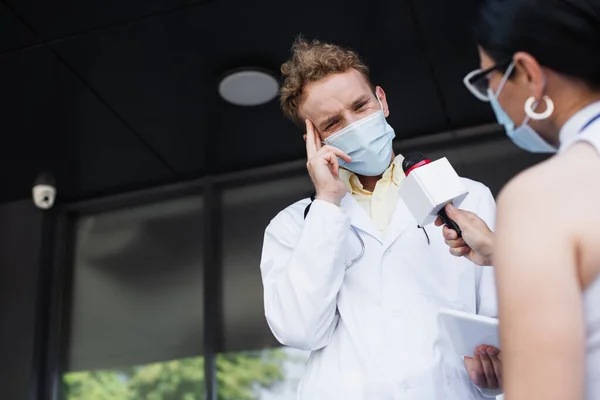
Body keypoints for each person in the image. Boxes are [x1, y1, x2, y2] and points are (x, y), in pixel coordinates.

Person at [259, 37, 503, 399]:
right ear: (314, 139)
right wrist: (328, 202)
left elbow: (501, 321)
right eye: (333, 122)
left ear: (382, 101)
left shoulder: (467, 197)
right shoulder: (294, 225)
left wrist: (500, 373)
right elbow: (299, 330)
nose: (355, 124)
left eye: (361, 106)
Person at [437, 0, 600, 398]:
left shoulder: (540, 198)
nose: (491, 94)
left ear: (527, 72)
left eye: (488, 77)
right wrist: (501, 249)